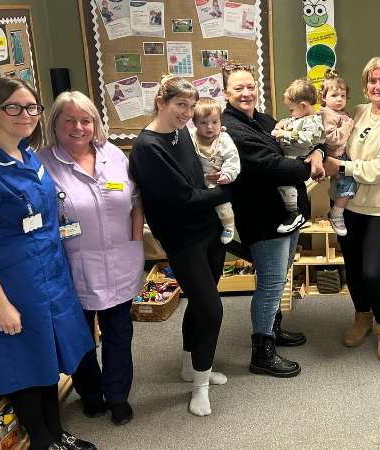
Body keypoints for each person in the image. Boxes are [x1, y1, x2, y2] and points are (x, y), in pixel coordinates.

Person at [0, 78, 96, 450]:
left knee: (47, 358)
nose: (27, 115)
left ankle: (58, 435)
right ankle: (42, 441)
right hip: (14, 285)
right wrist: (1, 304)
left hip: (50, 276)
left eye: (33, 107)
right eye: (14, 107)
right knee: (25, 365)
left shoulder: (28, 155)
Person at [39, 90, 147, 427]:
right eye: (69, 120)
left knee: (119, 332)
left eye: (85, 120)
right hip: (72, 266)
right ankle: (90, 392)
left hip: (121, 261)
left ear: (95, 123)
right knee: (79, 336)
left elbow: (136, 201)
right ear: (54, 124)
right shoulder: (41, 163)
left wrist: (134, 242)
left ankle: (117, 396)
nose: (78, 127)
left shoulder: (112, 154)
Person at [129, 75, 231, 417]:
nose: (187, 113)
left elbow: (194, 179)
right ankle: (200, 387)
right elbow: (184, 198)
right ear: (161, 102)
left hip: (208, 229)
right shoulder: (148, 147)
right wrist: (228, 192)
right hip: (182, 238)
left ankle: (191, 365)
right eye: (180, 105)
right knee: (212, 310)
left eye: (191, 106)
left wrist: (214, 182)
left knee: (201, 303)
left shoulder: (180, 132)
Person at [219, 62, 316, 377]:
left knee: (280, 276)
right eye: (238, 88)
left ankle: (272, 329)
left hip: (286, 214)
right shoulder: (230, 129)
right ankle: (262, 353)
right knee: (271, 282)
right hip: (261, 217)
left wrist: (316, 152)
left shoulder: (262, 119)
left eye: (250, 86)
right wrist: (310, 165)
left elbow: (296, 143)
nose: (246, 93)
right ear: (226, 93)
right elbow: (272, 165)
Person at [322, 57, 380, 362]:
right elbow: (329, 134)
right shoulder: (357, 112)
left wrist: (341, 167)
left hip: (377, 208)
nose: (377, 86)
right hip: (345, 205)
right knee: (352, 269)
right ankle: (362, 316)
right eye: (372, 81)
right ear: (365, 85)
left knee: (372, 272)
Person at [271, 78, 325, 233]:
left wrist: (284, 134)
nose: (291, 113)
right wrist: (282, 123)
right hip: (288, 156)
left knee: (286, 183)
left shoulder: (313, 122)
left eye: (291, 110)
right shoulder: (299, 118)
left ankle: (294, 213)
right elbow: (291, 122)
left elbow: (306, 139)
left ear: (303, 106)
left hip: (298, 159)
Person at [190, 97, 240, 244]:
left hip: (217, 180)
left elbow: (233, 159)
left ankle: (228, 226)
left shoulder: (224, 139)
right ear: (195, 123)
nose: (210, 127)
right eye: (203, 123)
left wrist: (227, 175)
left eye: (214, 122)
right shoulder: (191, 137)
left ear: (220, 121)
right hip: (199, 181)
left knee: (222, 206)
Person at [319, 70, 356, 236]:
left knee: (349, 182)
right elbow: (332, 138)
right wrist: (347, 126)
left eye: (343, 95)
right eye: (334, 95)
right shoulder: (326, 114)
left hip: (342, 155)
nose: (339, 99)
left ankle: (338, 209)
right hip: (334, 156)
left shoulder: (341, 113)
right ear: (324, 97)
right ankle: (337, 212)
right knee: (349, 181)